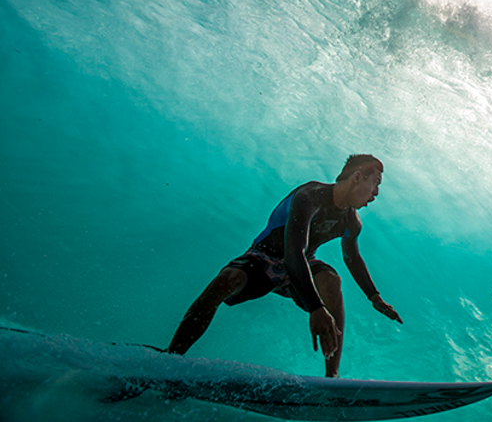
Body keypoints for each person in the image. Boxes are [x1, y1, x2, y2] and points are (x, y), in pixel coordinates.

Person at [166, 154, 402, 377]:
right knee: (226, 280)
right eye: (376, 183)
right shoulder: (310, 196)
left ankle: (332, 376)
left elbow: (352, 258)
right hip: (264, 259)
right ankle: (171, 359)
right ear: (358, 177)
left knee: (332, 281)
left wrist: (374, 297)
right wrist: (315, 307)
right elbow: (293, 253)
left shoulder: (351, 221)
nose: (377, 192)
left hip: (302, 265)